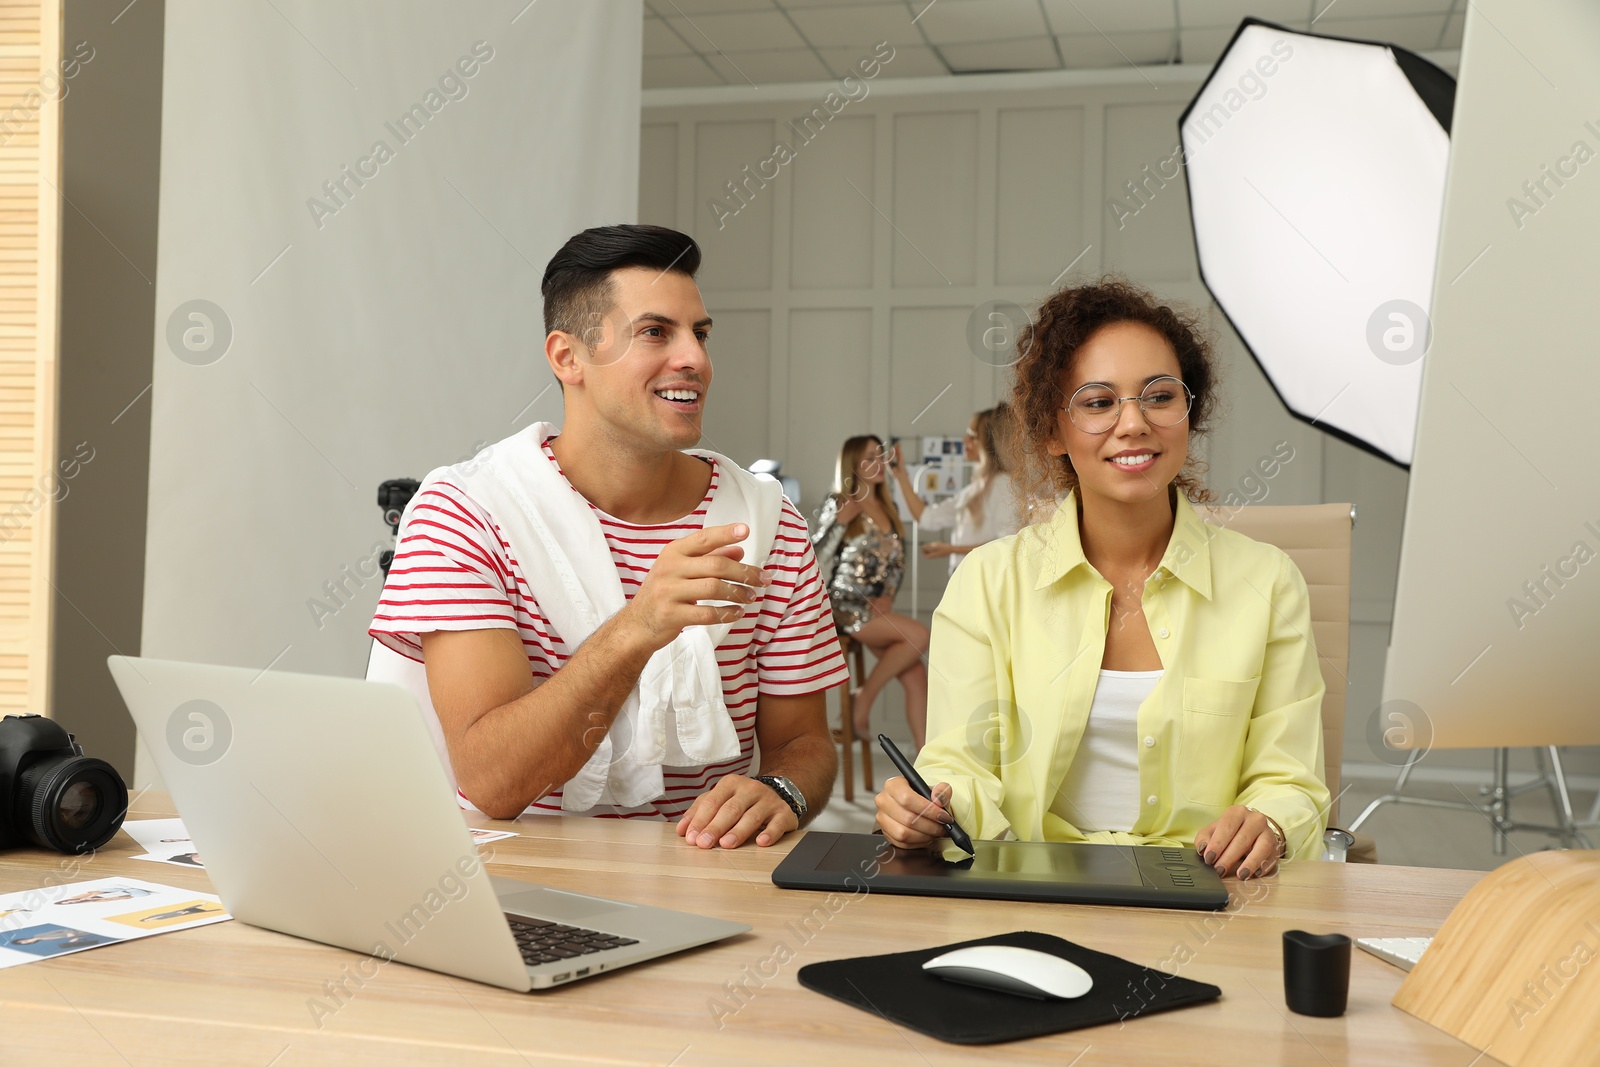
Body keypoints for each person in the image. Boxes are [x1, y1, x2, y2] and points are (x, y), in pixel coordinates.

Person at [370, 225, 848, 850]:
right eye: (656, 332)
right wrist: (637, 626)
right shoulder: (465, 513)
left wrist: (781, 790)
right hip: (508, 887)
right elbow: (493, 781)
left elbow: (803, 744)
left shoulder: (766, 520)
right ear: (568, 357)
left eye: (700, 334)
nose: (695, 360)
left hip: (709, 886)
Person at [875, 278, 1330, 881]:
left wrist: (1269, 822)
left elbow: (1291, 779)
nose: (1134, 423)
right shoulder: (987, 584)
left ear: (1188, 414)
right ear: (1051, 432)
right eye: (1097, 402)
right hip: (1036, 888)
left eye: (1159, 396)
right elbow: (961, 765)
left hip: (1212, 897)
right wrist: (930, 809)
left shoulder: (1268, 582)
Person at [812, 436, 929, 748]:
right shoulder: (839, 502)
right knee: (919, 636)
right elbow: (813, 557)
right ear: (853, 465)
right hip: (843, 603)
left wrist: (888, 595)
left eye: (880, 456)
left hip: (877, 607)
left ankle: (926, 764)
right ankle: (862, 702)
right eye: (868, 458)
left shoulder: (887, 508)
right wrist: (839, 523)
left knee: (916, 676)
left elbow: (897, 564)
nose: (878, 464)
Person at [895, 404, 1023, 574]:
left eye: (972, 435)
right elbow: (927, 518)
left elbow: (1007, 542)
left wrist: (952, 549)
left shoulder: (1001, 485)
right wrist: (900, 475)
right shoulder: (974, 490)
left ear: (989, 441)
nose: (964, 441)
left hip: (982, 582)